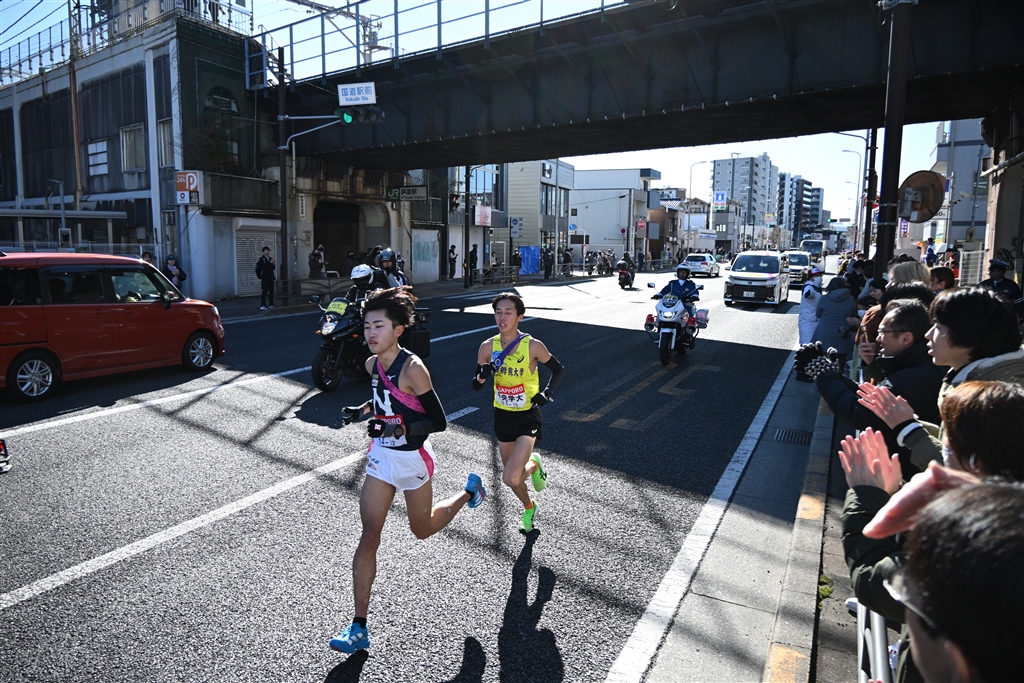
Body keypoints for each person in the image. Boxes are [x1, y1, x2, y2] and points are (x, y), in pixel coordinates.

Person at [329, 288, 487, 654]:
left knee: (422, 529)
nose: (371, 333)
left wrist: (399, 429)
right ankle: (359, 627)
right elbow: (382, 400)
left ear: (398, 330)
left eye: (379, 326)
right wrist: (361, 411)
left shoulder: (414, 369)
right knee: (370, 536)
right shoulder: (372, 365)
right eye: (367, 326)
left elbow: (438, 421)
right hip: (381, 459)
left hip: (413, 459)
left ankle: (469, 492)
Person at [858, 286, 1024, 472]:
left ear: (967, 335)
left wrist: (908, 429)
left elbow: (965, 474)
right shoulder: (976, 377)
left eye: (937, 327)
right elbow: (956, 444)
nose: (928, 334)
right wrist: (904, 421)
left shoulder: (996, 400)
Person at [800, 300, 945, 481]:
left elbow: (860, 412)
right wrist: (835, 377)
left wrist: (825, 376)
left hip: (907, 474)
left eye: (883, 332)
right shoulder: (916, 365)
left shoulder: (912, 378)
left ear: (906, 338)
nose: (877, 339)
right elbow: (870, 397)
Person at [472, 293, 564, 533]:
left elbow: (557, 369)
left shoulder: (532, 345)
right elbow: (476, 384)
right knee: (512, 477)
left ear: (520, 316)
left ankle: (533, 464)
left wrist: (546, 393)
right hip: (502, 415)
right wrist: (482, 376)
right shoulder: (487, 347)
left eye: (508, 312)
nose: (502, 318)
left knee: (510, 477)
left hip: (527, 416)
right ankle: (529, 506)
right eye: (498, 312)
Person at [813, 276, 857, 369]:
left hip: (825, 332)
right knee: (841, 359)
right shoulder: (850, 299)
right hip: (844, 333)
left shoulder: (824, 298)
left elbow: (818, 314)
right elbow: (853, 314)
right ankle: (839, 373)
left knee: (824, 360)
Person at [798, 267, 825, 349]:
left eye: (819, 275)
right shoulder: (809, 287)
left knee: (813, 346)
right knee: (807, 345)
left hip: (814, 319)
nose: (819, 277)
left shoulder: (816, 287)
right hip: (808, 320)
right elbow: (808, 294)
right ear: (810, 278)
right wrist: (808, 294)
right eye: (816, 276)